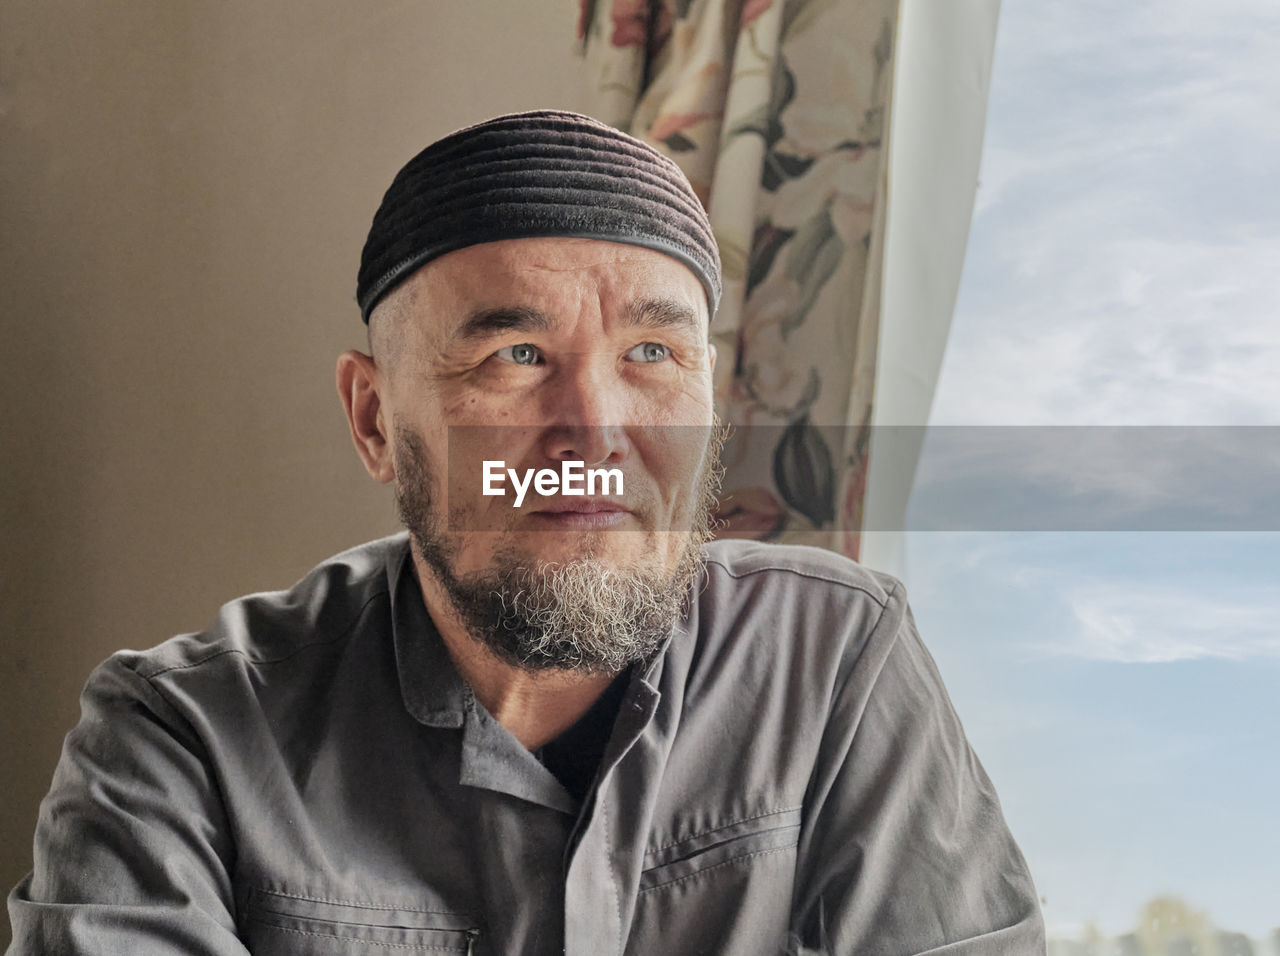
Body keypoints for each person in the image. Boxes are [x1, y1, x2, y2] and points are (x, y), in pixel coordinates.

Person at [7, 110, 1045, 955]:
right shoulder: (177, 741)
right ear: (374, 419)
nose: (594, 431)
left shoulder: (832, 661)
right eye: (512, 353)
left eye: (650, 353)